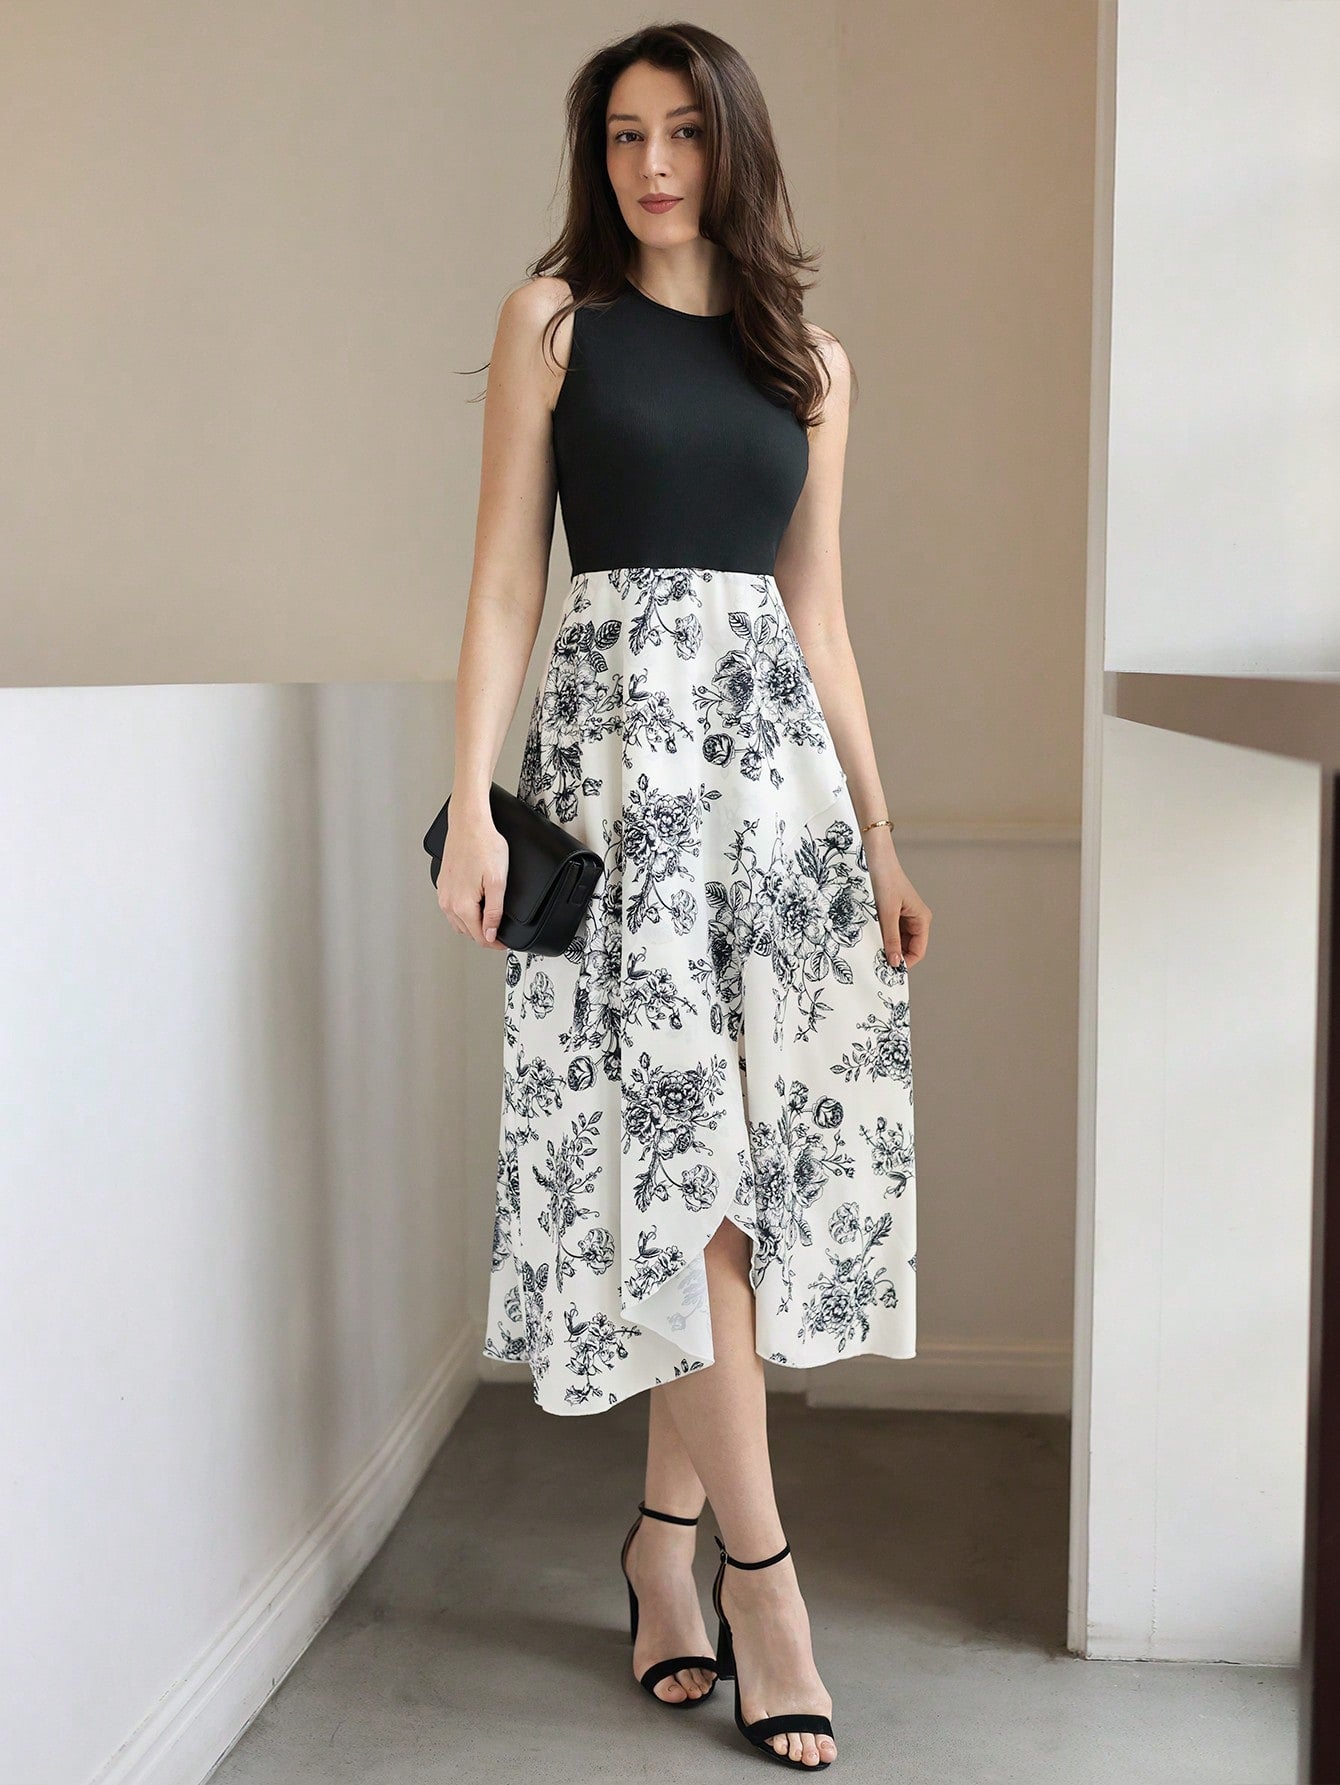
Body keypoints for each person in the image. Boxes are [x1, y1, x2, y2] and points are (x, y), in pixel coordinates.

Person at [438, 21, 932, 1773]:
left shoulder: (810, 361)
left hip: (776, 809)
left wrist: (880, 835)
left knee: (728, 1183)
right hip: (614, 791)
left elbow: (821, 618)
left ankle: (661, 1546)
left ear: (734, 146)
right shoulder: (553, 323)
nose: (653, 166)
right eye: (625, 136)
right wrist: (472, 802)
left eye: (683, 134)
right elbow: (507, 580)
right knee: (686, 1179)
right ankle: (763, 1582)